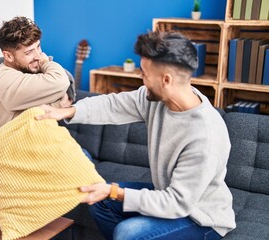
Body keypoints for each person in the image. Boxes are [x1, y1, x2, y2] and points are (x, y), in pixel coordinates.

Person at [35, 31, 236, 239]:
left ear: (166, 80)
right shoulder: (157, 100)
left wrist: (114, 191)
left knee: (127, 232)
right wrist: (67, 111)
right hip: (170, 197)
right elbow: (113, 104)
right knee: (100, 201)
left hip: (201, 218)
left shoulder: (204, 137)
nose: (141, 78)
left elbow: (176, 203)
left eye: (144, 74)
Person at [0, 16, 72, 138]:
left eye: (38, 47)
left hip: (31, 145)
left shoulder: (29, 73)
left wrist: (59, 102)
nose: (38, 56)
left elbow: (65, 87)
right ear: (8, 56)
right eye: (29, 52)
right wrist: (45, 64)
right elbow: (60, 82)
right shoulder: (0, 76)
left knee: (82, 153)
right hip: (2, 151)